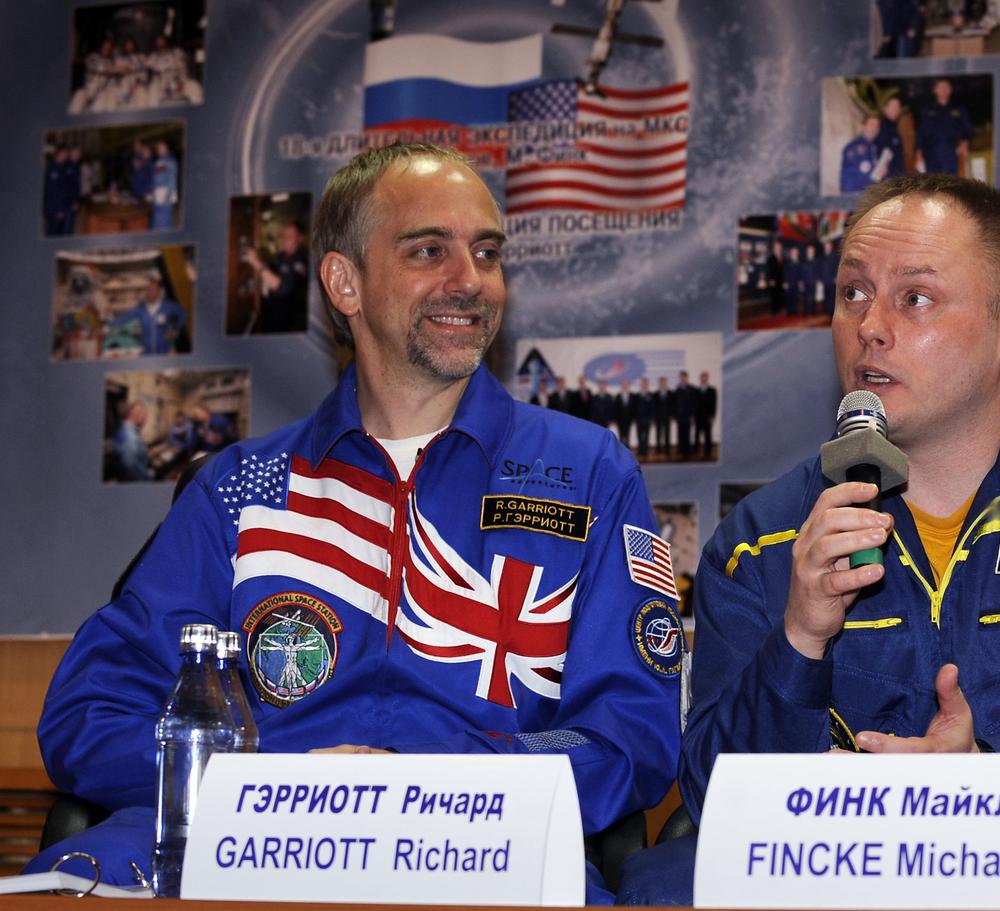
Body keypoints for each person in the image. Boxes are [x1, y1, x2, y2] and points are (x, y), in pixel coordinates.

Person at [31, 143, 683, 903]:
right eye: (429, 249)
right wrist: (266, 773)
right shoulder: (241, 489)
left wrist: (446, 784)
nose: (469, 280)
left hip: (479, 855)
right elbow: (89, 713)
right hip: (250, 852)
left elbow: (630, 733)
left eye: (487, 251)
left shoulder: (589, 474)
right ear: (344, 281)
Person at [620, 175, 1000, 908]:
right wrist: (800, 640)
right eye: (851, 294)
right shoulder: (765, 537)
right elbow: (716, 795)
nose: (869, 325)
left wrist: (989, 771)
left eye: (914, 298)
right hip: (831, 875)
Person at [243, 221, 309, 333]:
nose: (284, 239)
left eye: (289, 236)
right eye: (283, 236)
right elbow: (269, 271)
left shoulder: (302, 261)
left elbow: (283, 287)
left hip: (286, 321)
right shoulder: (281, 256)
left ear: (300, 239)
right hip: (269, 312)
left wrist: (256, 262)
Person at [109, 270, 187, 355]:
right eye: (148, 289)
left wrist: (174, 329)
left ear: (159, 292)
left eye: (153, 289)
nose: (150, 292)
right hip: (147, 353)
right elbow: (124, 318)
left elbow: (183, 314)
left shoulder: (168, 306)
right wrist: (108, 324)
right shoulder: (141, 310)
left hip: (164, 352)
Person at [915, 77, 973, 175]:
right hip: (931, 154)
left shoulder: (958, 109)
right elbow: (920, 133)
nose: (944, 89)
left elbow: (968, 130)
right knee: (933, 185)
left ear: (950, 89)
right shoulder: (927, 111)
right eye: (941, 87)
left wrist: (964, 144)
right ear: (935, 90)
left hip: (952, 154)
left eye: (946, 87)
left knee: (952, 184)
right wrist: (918, 153)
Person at [840, 114, 883, 194]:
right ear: (863, 126)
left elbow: (871, 171)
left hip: (868, 195)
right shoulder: (854, 147)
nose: (874, 128)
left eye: (877, 126)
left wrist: (880, 171)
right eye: (871, 125)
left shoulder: (872, 148)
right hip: (855, 196)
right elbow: (851, 178)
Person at [113, 401, 151, 481]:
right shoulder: (131, 436)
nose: (145, 418)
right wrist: (147, 479)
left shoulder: (123, 430)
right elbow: (130, 465)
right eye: (144, 414)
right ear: (134, 414)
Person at [149, 139, 179, 229]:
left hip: (165, 195)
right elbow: (156, 179)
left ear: (167, 148)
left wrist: (167, 196)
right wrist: (152, 192)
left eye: (162, 147)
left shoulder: (170, 161)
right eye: (158, 148)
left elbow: (171, 179)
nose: (159, 150)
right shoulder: (159, 161)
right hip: (157, 195)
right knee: (156, 221)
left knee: (164, 223)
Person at [672, 370, 696, 460]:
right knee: (680, 433)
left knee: (687, 433)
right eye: (681, 377)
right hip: (679, 416)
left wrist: (693, 415)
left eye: (684, 377)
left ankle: (687, 450)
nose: (682, 378)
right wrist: (674, 414)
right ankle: (680, 449)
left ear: (687, 377)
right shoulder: (677, 389)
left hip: (688, 415)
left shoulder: (691, 389)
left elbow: (694, 403)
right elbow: (674, 403)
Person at [694, 371, 717, 460]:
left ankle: (708, 451)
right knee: (697, 434)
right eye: (702, 377)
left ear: (707, 378)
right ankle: (696, 450)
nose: (704, 379)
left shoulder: (712, 390)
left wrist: (713, 416)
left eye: (705, 377)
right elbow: (695, 404)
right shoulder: (697, 390)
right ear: (700, 379)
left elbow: (714, 404)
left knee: (708, 434)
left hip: (708, 417)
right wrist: (694, 417)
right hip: (698, 416)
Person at [634, 377, 656, 458]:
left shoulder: (650, 395)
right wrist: (635, 418)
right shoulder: (637, 395)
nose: (644, 385)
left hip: (647, 419)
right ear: (641, 385)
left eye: (645, 384)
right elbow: (635, 408)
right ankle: (640, 450)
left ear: (647, 385)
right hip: (639, 419)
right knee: (639, 435)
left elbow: (653, 408)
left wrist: (652, 419)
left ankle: (645, 450)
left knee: (646, 435)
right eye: (643, 383)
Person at [654, 375, 673, 457]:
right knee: (658, 434)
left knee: (667, 434)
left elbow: (673, 405)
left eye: (664, 382)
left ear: (666, 383)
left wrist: (672, 415)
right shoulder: (655, 394)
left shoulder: (670, 393)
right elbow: (653, 406)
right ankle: (658, 450)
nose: (663, 383)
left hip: (667, 417)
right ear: (659, 383)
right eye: (661, 382)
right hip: (658, 417)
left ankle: (667, 450)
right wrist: (654, 418)